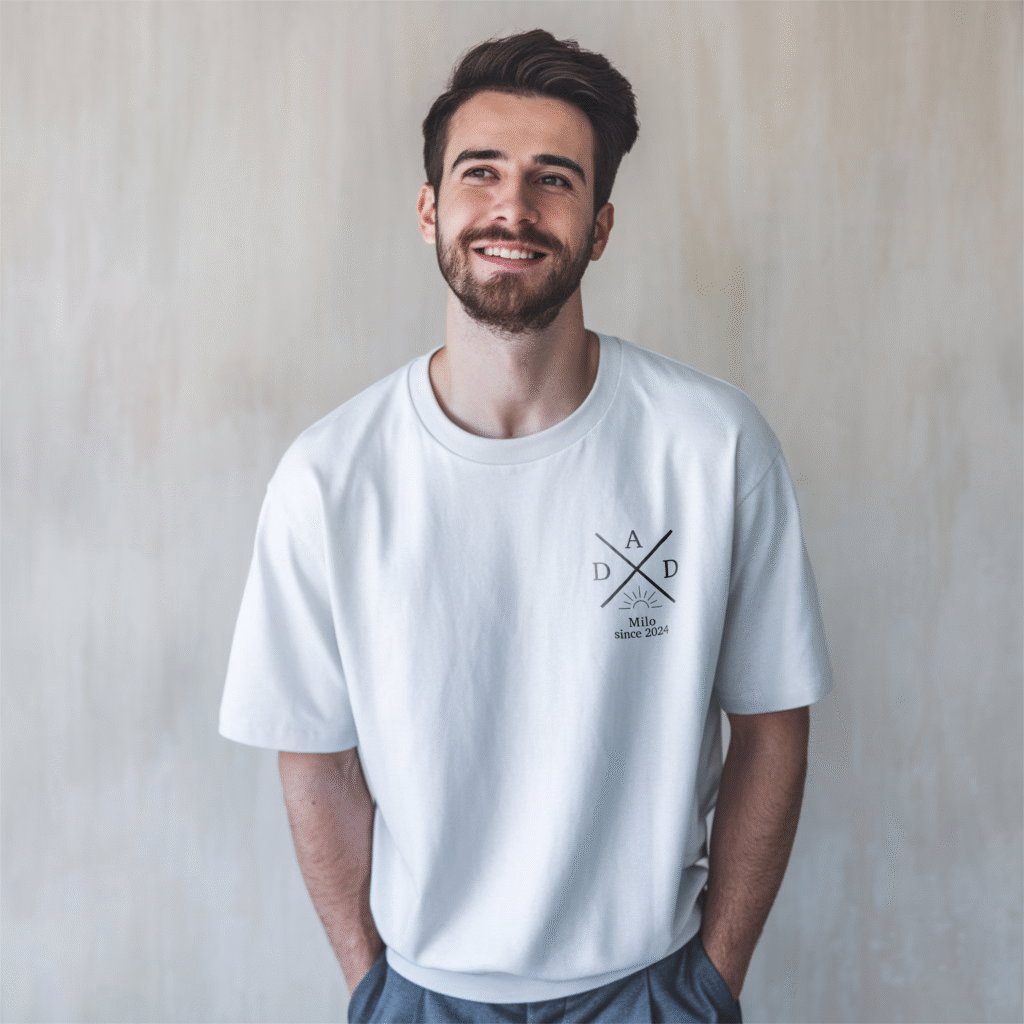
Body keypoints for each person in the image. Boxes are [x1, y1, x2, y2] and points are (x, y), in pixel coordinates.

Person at [219, 28, 833, 1024]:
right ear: (430, 207)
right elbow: (315, 755)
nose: (513, 207)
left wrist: (712, 977)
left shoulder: (712, 447)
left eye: (554, 179)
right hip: (423, 995)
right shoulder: (328, 479)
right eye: (481, 172)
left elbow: (772, 722)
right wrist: (372, 983)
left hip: (653, 990)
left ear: (600, 226)